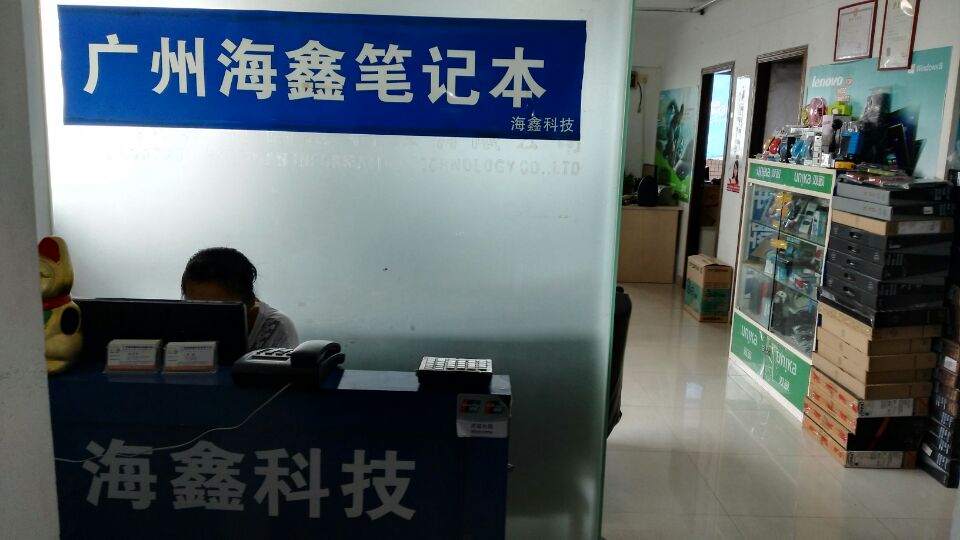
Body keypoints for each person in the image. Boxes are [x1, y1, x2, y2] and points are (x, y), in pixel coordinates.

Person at [181, 247, 299, 351]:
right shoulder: (180, 323)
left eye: (217, 311)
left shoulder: (276, 328)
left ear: (250, 302)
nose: (205, 319)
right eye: (195, 308)